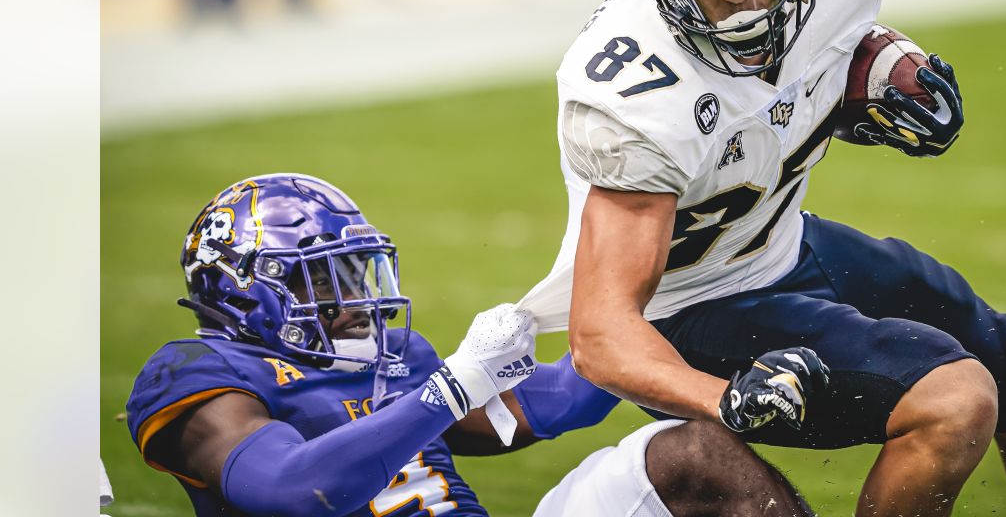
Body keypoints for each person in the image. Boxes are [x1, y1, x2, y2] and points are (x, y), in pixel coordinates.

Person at [518, 0, 1006, 517]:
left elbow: (823, 58)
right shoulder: (631, 89)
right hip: (691, 305)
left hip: (782, 245)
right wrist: (724, 398)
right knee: (955, 402)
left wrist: (888, 66)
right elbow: (600, 332)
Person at [125, 173, 824, 516]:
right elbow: (290, 488)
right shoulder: (196, 373)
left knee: (694, 453)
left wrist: (667, 303)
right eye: (324, 277)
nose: (353, 294)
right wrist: (452, 384)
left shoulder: (395, 360)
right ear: (247, 289)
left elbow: (544, 408)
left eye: (353, 268)